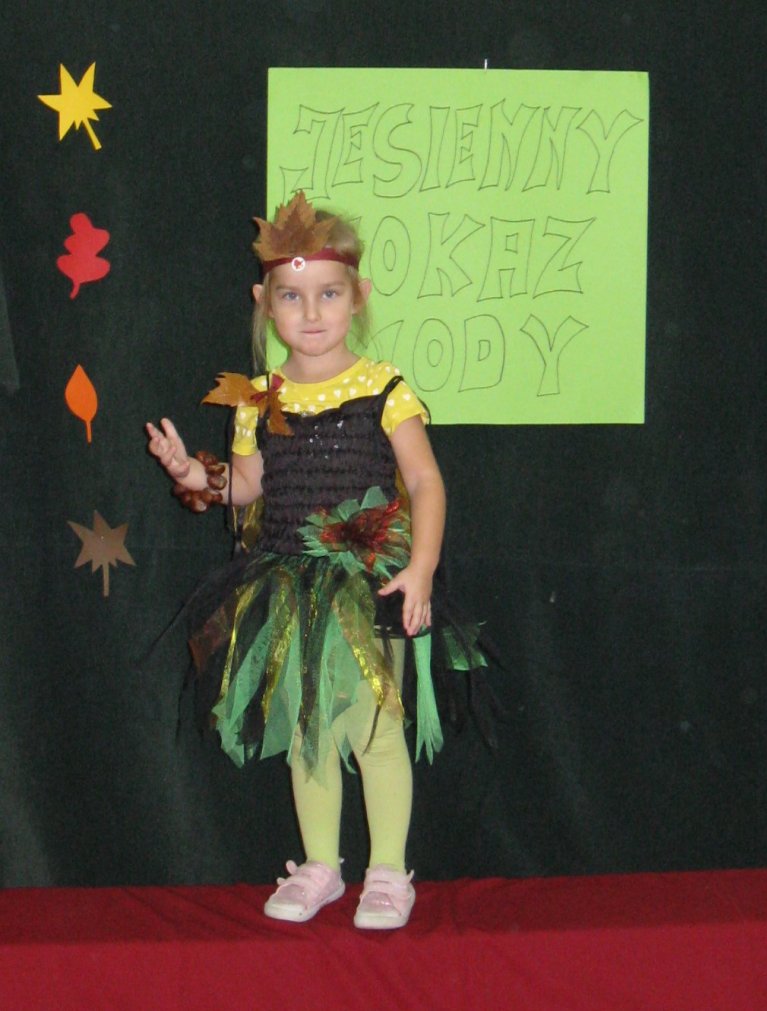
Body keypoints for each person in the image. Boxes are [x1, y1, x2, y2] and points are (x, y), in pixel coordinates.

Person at [146, 191, 486, 930]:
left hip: (371, 580)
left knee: (375, 726)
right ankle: (324, 865)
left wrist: (422, 566)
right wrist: (193, 474)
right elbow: (246, 487)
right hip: (287, 582)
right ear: (264, 304)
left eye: (329, 294)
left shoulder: (383, 388)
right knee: (310, 727)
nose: (310, 312)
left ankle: (388, 870)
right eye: (291, 297)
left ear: (358, 297)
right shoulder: (256, 401)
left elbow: (426, 480)